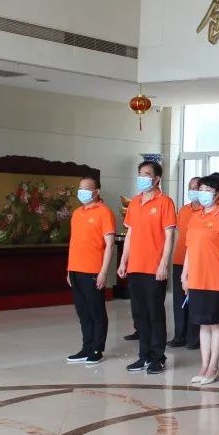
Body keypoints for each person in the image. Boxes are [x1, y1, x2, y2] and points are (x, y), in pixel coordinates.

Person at [117, 160, 176, 375]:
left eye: (147, 174)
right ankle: (144, 356)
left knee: (155, 314)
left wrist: (163, 264)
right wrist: (123, 261)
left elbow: (169, 236)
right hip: (135, 267)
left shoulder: (165, 202)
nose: (142, 177)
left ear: (157, 178)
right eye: (140, 173)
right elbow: (130, 235)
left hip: (154, 268)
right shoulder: (134, 202)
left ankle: (158, 357)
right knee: (140, 315)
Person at [182, 175, 219, 386]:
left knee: (215, 323)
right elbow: (189, 249)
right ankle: (204, 365)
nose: (203, 193)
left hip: (216, 278)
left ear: (218, 194)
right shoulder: (195, 217)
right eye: (201, 189)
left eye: (208, 190)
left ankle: (214, 366)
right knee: (202, 324)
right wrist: (184, 274)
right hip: (196, 279)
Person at [66, 176, 116, 365]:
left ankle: (97, 349)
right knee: (83, 312)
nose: (82, 192)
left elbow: (110, 245)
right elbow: (74, 243)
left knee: (96, 311)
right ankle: (86, 347)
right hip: (75, 269)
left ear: (97, 192)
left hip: (93, 271)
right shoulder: (77, 213)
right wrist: (69, 269)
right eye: (80, 188)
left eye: (87, 189)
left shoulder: (105, 212)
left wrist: (104, 272)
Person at [168, 177, 202, 349]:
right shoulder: (183, 210)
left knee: (194, 299)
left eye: (196, 187)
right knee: (179, 300)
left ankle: (193, 338)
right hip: (180, 260)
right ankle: (179, 336)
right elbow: (177, 235)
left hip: (198, 262)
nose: (193, 190)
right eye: (191, 187)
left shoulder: (206, 212)